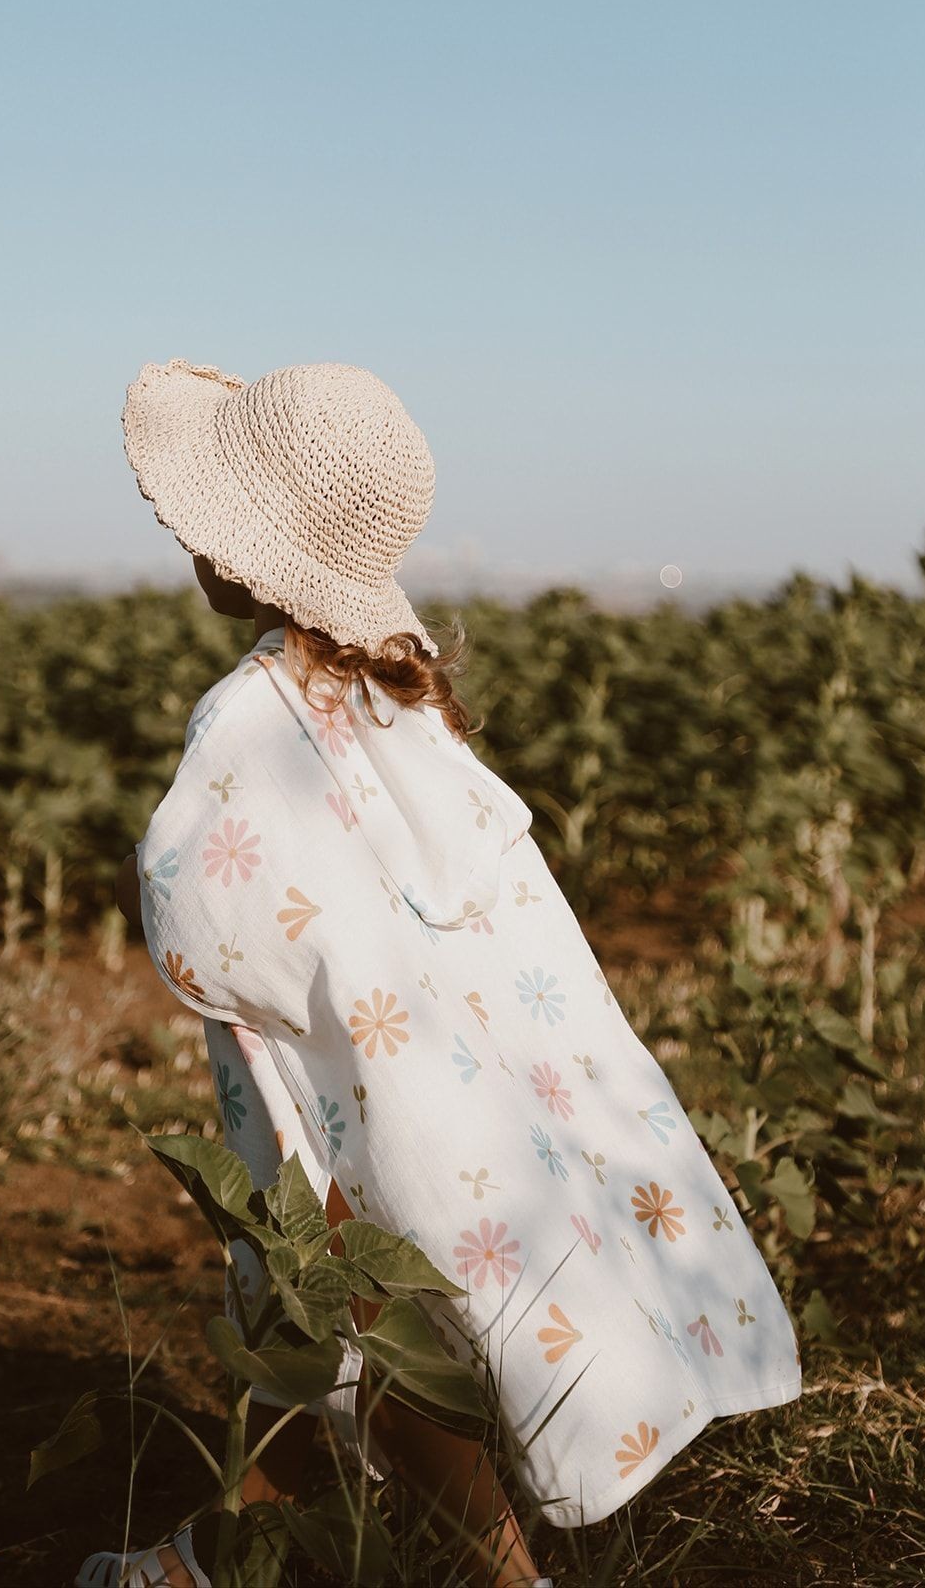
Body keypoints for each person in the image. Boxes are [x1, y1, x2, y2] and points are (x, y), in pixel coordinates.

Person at [75, 359, 801, 1588]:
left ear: (252, 553)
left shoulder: (252, 710)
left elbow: (198, 897)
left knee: (362, 1310)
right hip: (448, 1054)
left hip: (339, 1062)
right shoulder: (394, 672)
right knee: (385, 1313)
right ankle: (206, 1562)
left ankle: (488, 1577)